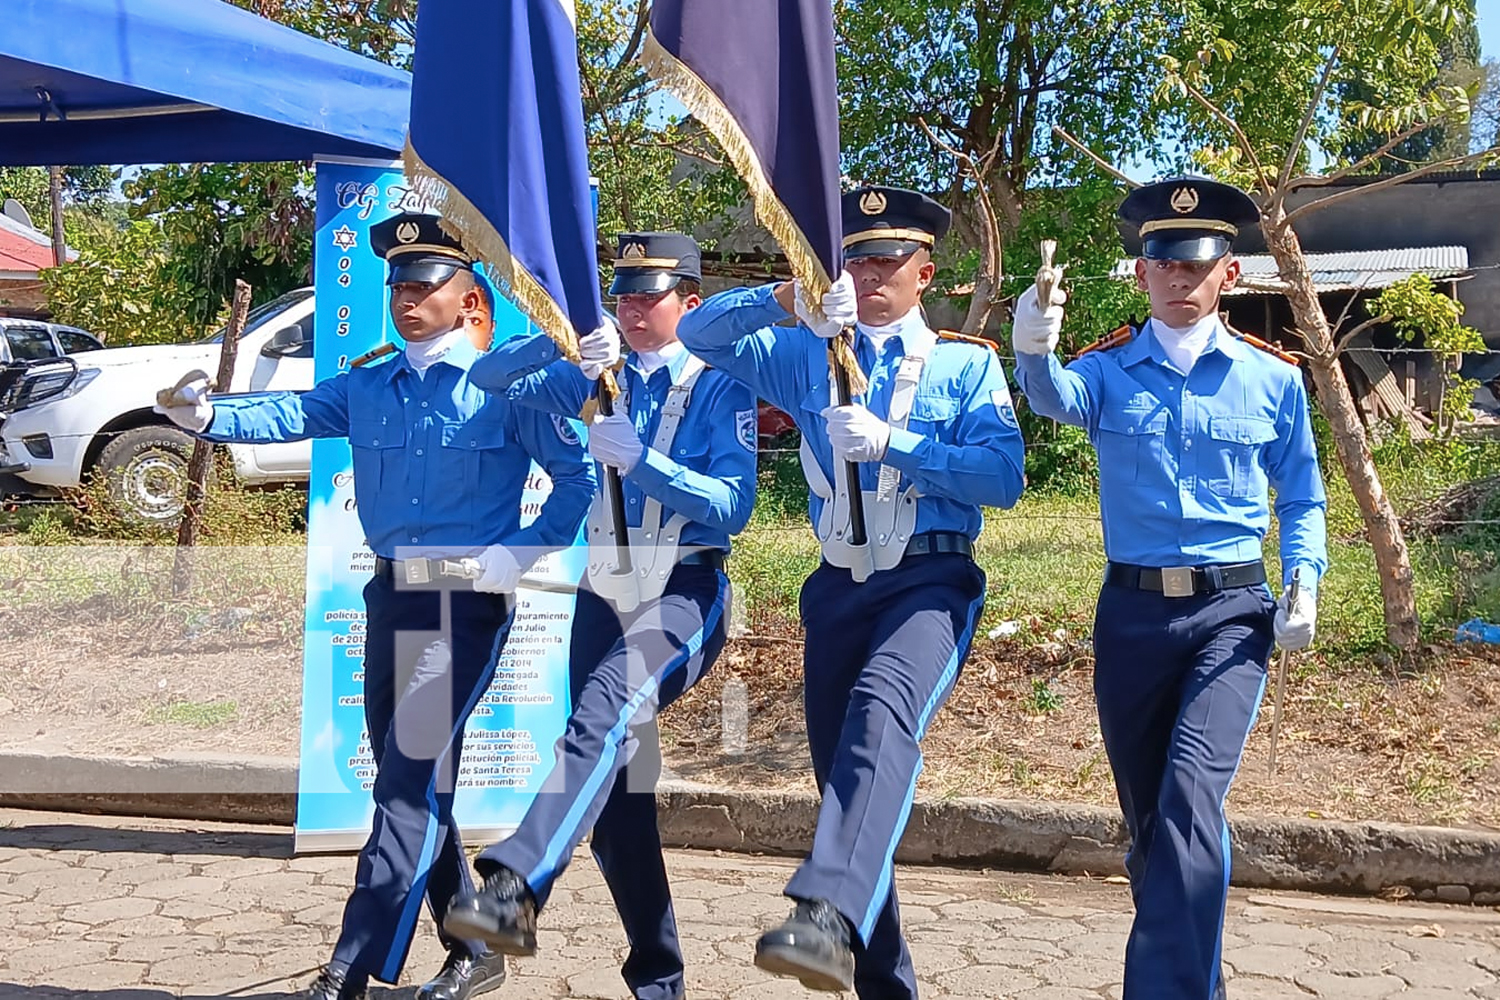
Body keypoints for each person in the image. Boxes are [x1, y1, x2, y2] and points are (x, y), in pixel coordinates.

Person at [153, 212, 596, 1000]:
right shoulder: (369, 382)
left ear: (469, 300)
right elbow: (291, 412)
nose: (407, 298)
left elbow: (577, 480)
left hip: (468, 603)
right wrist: (207, 415)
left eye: (426, 284)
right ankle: (477, 947)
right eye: (398, 284)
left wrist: (521, 551)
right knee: (415, 785)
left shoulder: (508, 388)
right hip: (392, 597)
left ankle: (351, 967)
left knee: (405, 782)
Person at [675, 187, 1026, 996]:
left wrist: (898, 445)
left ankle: (826, 910)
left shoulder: (964, 364)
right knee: (850, 789)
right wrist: (785, 298)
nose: (868, 273)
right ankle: (877, 978)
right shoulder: (806, 351)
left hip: (929, 579)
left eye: (886, 259)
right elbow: (698, 332)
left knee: (881, 716)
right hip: (836, 586)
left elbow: (1004, 477)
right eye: (855, 258)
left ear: (924, 272)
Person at [1010, 177, 1327, 1000]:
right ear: (1142, 274)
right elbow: (1053, 401)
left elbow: (1301, 494)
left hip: (1232, 614)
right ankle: (1199, 983)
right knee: (1154, 830)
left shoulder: (1274, 380)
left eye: (1197, 266)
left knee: (1191, 800)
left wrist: (1305, 577)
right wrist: (1033, 347)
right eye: (1164, 266)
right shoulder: (1109, 371)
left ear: (1228, 273)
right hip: (1133, 618)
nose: (1180, 281)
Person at [440, 233, 757, 1000]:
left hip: (682, 588)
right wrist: (561, 343)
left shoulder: (720, 382)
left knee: (602, 712)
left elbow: (732, 506)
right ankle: (659, 977)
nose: (634, 309)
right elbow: (487, 375)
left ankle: (515, 883)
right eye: (624, 295)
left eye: (650, 295)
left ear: (690, 300)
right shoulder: (594, 372)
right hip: (602, 593)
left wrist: (642, 461)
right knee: (615, 804)